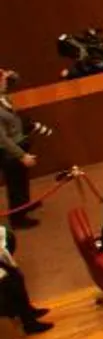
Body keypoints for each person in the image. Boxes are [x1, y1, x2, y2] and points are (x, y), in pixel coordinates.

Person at [0, 71, 39, 227]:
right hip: (9, 151)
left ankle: (25, 203)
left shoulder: (2, 96)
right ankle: (18, 219)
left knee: (22, 178)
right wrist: (21, 155)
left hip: (18, 141)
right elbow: (2, 139)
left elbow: (15, 79)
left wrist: (9, 74)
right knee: (15, 183)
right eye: (1, 80)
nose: (5, 82)